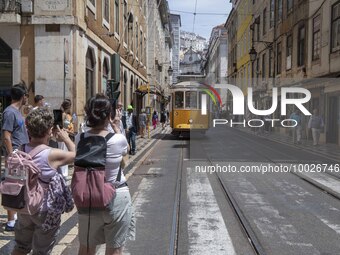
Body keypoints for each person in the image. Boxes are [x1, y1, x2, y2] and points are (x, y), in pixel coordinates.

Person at [74, 94, 135, 255]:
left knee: (86, 248)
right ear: (109, 115)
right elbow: (126, 152)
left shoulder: (79, 138)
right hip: (116, 196)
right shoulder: (118, 139)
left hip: (90, 199)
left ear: (88, 114)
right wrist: (116, 126)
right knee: (114, 249)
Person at [12, 108, 75, 255]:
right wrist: (65, 138)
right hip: (44, 210)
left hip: (23, 207)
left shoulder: (20, 149)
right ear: (49, 130)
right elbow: (76, 155)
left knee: (21, 247)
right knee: (41, 251)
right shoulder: (51, 154)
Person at [2, 83, 30, 232]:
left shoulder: (19, 112)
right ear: (22, 96)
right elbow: (6, 135)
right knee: (12, 185)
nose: (27, 98)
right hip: (15, 155)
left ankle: (17, 216)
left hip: (22, 155)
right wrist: (11, 153)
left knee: (20, 185)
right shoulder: (9, 112)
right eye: (26, 95)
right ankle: (11, 220)